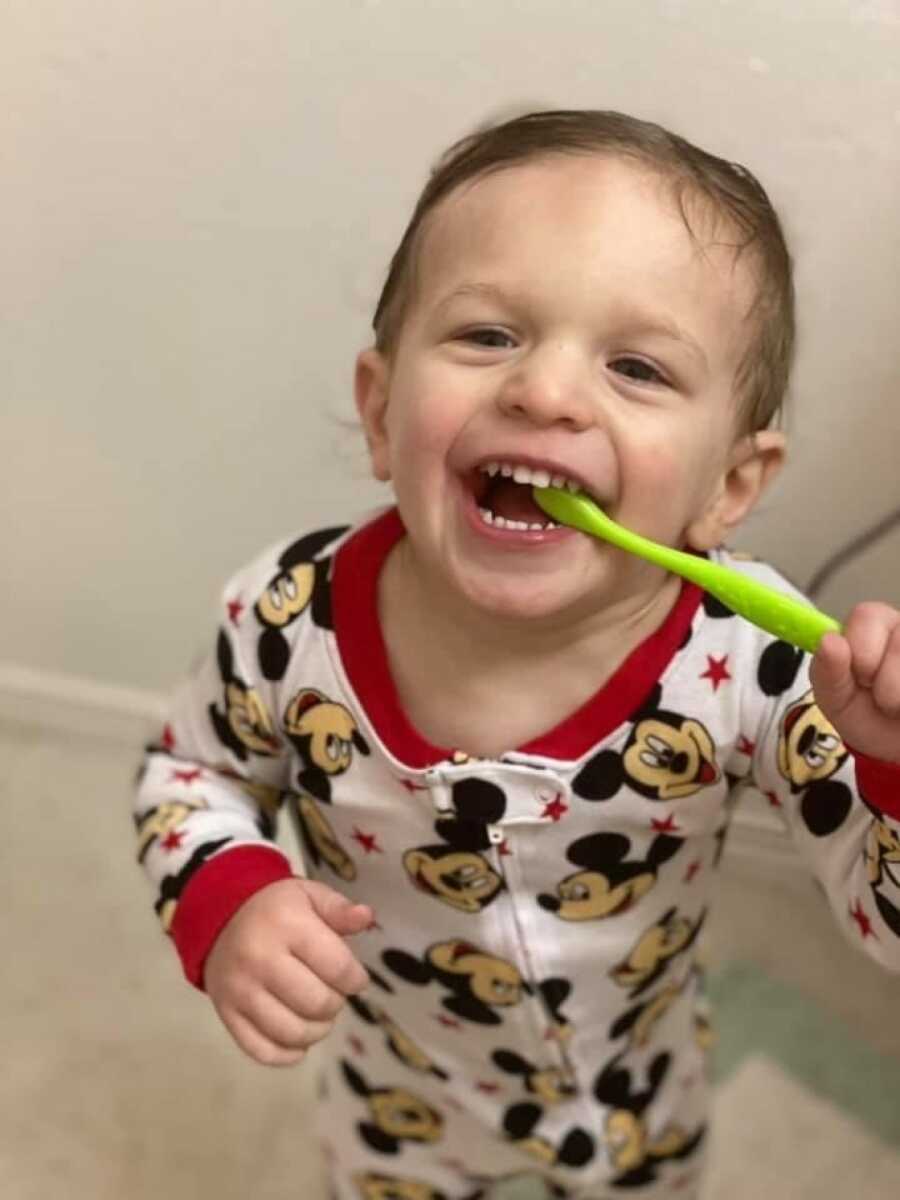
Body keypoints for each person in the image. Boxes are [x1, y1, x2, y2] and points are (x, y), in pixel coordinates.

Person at [134, 110, 900, 1200]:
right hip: (396, 1107)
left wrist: (892, 770)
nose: (543, 392)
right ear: (381, 406)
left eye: (637, 367)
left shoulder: (763, 662)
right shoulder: (285, 618)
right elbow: (186, 772)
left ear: (728, 487)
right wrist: (227, 890)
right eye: (489, 335)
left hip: (641, 1102)